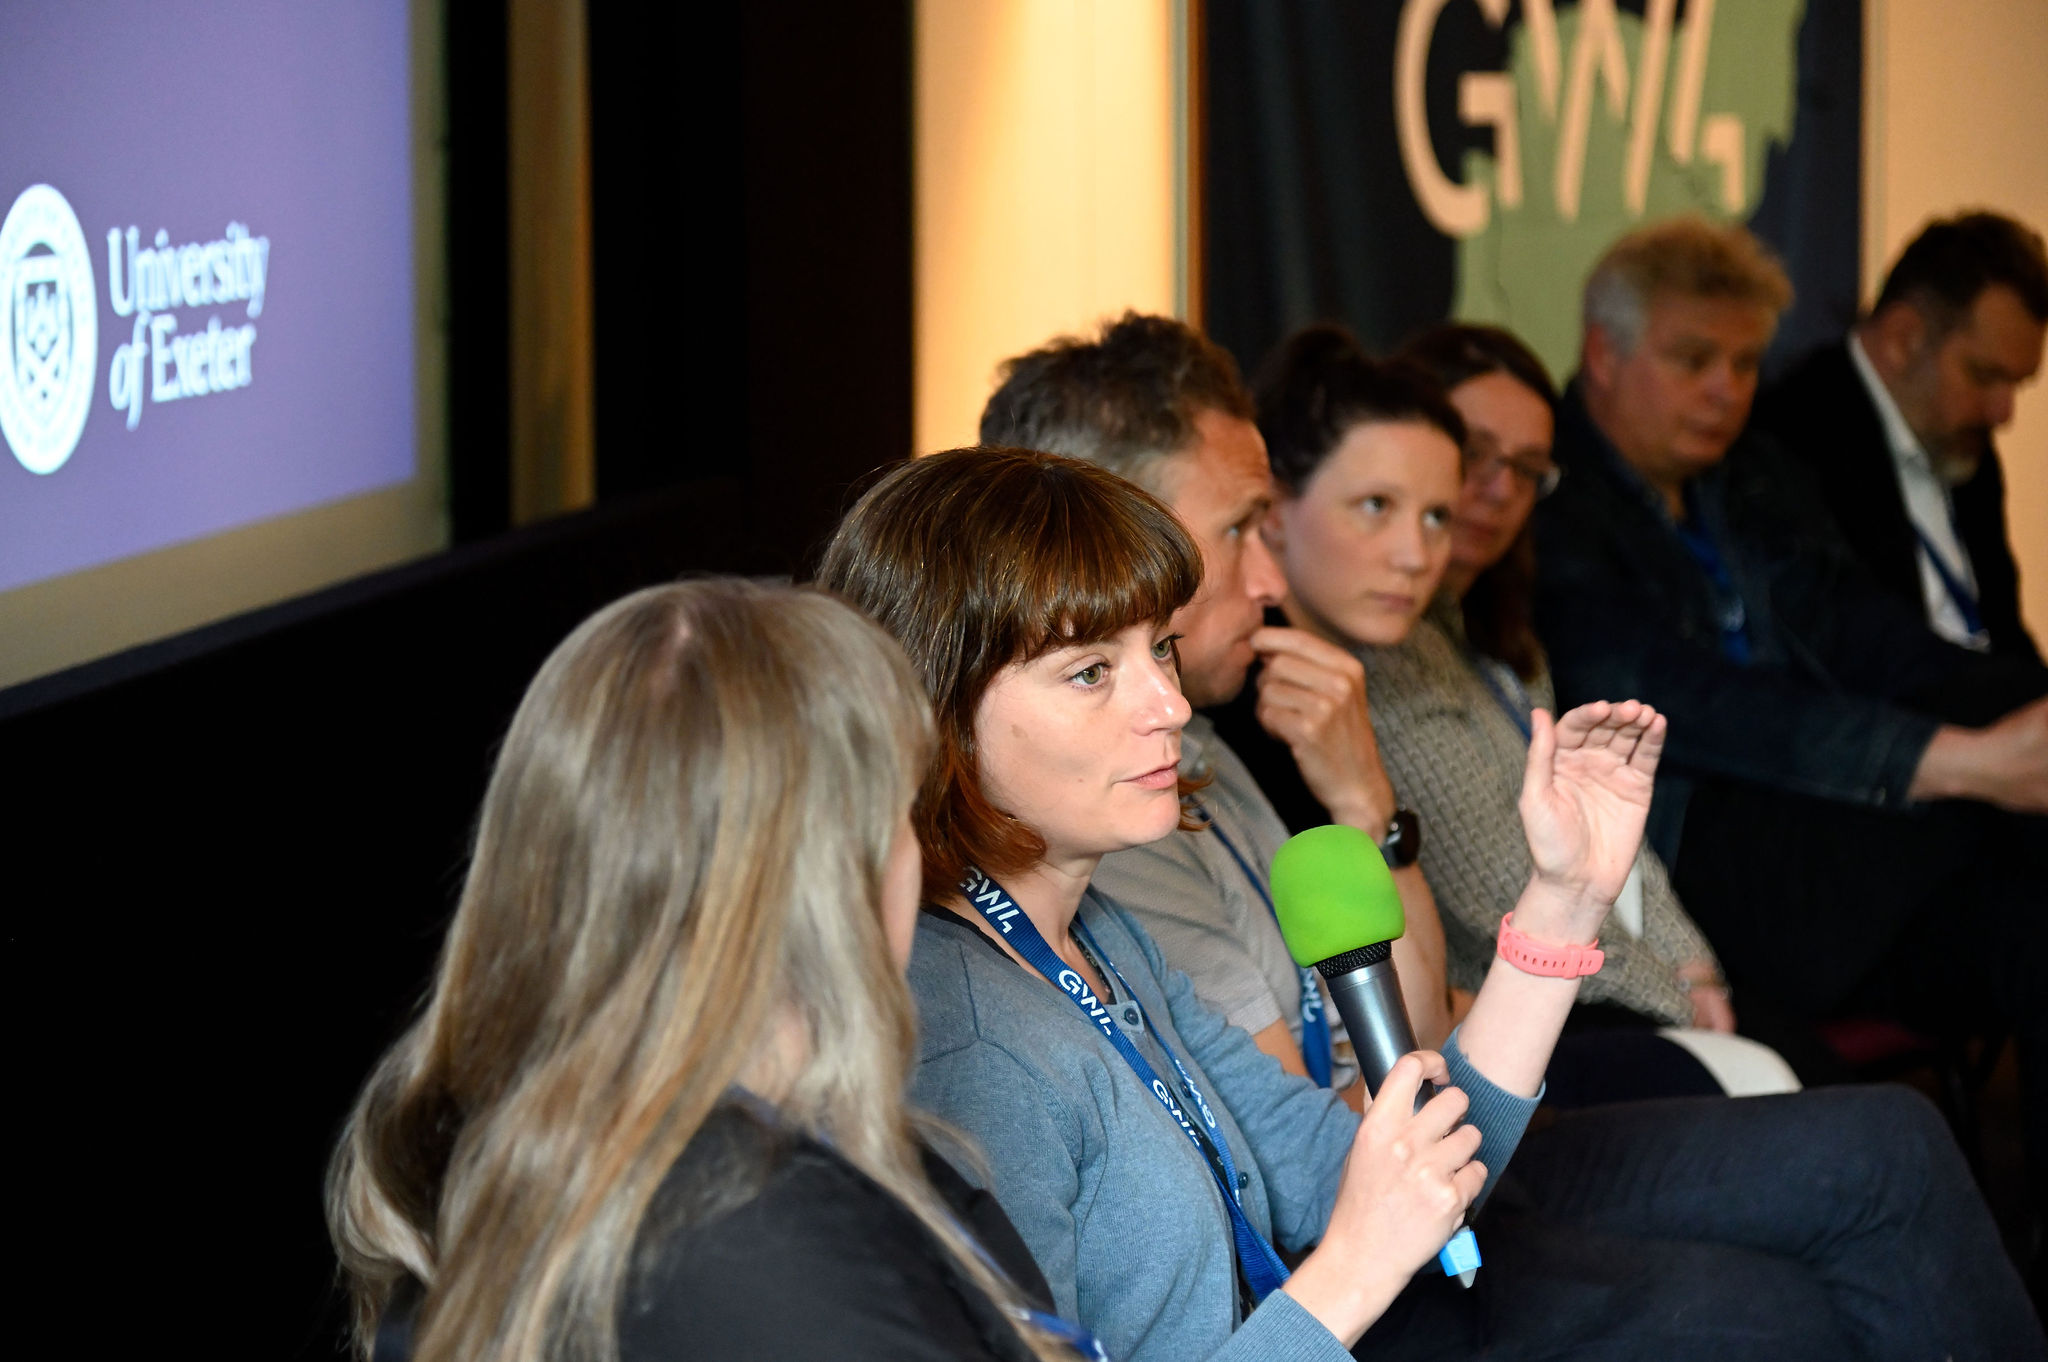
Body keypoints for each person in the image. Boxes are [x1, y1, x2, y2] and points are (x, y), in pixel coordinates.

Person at [818, 445, 2042, 1362]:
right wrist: (1347, 1272)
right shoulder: (964, 1043)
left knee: (1787, 1283)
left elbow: (1385, 1164)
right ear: (934, 712)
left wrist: (1564, 902)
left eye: (1159, 655)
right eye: (1092, 672)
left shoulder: (1097, 942)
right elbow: (1350, 1233)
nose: (1169, 709)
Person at [325, 581, 1089, 1362]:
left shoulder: (509, 1149)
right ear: (827, 880)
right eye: (900, 811)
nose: (918, 852)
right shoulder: (774, 1251)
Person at [1532, 216, 2048, 1201]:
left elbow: (1862, 631)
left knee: (2030, 917)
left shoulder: (1747, 471)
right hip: (1698, 875)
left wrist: (2012, 715)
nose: (1725, 390)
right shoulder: (1554, 506)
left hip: (1843, 856)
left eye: (1739, 362)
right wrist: (1950, 761)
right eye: (1692, 360)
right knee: (1985, 818)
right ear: (1603, 353)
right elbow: (1692, 706)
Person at [1230, 319, 1795, 1101]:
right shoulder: (1254, 693)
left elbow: (1600, 859)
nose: (1414, 551)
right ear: (1273, 509)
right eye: (1374, 506)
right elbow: (1446, 971)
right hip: (1439, 1071)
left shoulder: (1452, 638)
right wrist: (1666, 999)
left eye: (1434, 514)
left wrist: (1687, 972)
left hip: (1488, 1038)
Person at [979, 311, 1450, 1098]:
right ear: (1124, 541)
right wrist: (1548, 952)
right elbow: (1316, 1164)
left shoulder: (1192, 729)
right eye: (1239, 530)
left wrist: (1367, 804)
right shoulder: (1107, 808)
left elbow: (1410, 1040)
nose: (1270, 585)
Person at [1754, 211, 2046, 662]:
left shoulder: (1970, 451)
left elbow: (2003, 637)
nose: (2003, 412)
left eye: (2017, 385)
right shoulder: (1792, 437)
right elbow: (1860, 659)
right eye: (1984, 376)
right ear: (1904, 338)